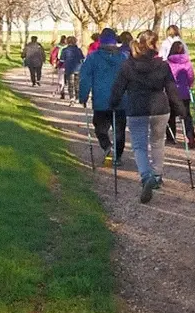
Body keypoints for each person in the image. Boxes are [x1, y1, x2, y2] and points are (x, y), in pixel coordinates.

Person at [110, 30, 187, 204]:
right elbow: (172, 89)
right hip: (160, 108)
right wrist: (181, 109)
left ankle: (146, 176)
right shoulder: (162, 65)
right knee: (157, 143)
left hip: (137, 109)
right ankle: (157, 175)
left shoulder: (127, 65)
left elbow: (118, 88)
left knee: (139, 146)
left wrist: (113, 103)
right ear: (155, 45)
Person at [78, 28, 128, 167]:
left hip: (101, 100)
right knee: (119, 129)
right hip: (120, 100)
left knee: (100, 127)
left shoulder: (93, 57)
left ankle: (107, 146)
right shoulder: (123, 57)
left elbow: (85, 78)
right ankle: (117, 156)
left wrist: (83, 96)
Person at [166, 41, 195, 149]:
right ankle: (190, 136)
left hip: (171, 92)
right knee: (186, 115)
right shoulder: (187, 62)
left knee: (170, 115)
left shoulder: (168, 63)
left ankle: (171, 136)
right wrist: (188, 84)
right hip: (184, 92)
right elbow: (191, 76)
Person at [61, 36, 85, 101]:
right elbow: (82, 59)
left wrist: (58, 66)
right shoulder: (79, 50)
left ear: (67, 42)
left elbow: (62, 60)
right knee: (77, 84)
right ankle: (77, 97)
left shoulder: (65, 50)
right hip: (78, 69)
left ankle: (71, 97)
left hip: (69, 69)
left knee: (70, 84)